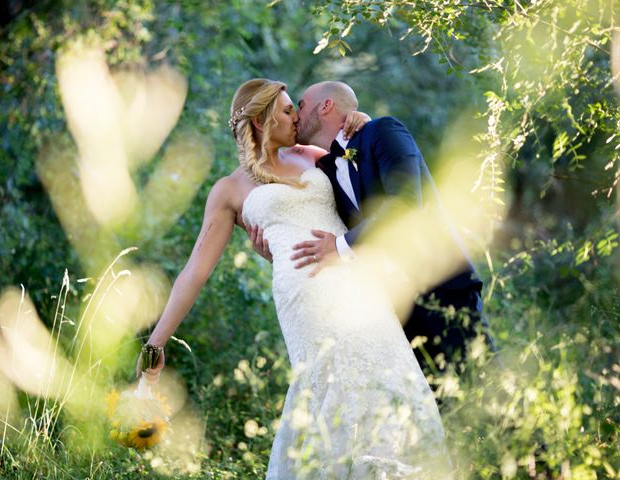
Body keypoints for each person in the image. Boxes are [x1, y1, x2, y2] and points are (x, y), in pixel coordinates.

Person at [138, 79, 451, 479]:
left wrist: (360, 120)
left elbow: (362, 183)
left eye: (296, 107)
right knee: (330, 384)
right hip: (302, 295)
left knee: (385, 370)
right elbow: (195, 271)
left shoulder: (315, 156)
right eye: (288, 110)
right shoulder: (229, 190)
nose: (296, 116)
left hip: (357, 283)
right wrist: (155, 344)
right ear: (261, 119)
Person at [266, 80, 495, 375]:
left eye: (301, 105)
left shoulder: (382, 131)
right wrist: (274, 245)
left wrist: (338, 246)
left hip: (442, 291)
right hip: (392, 311)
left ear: (326, 106)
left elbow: (405, 203)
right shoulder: (324, 173)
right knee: (436, 409)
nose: (297, 115)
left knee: (487, 388)